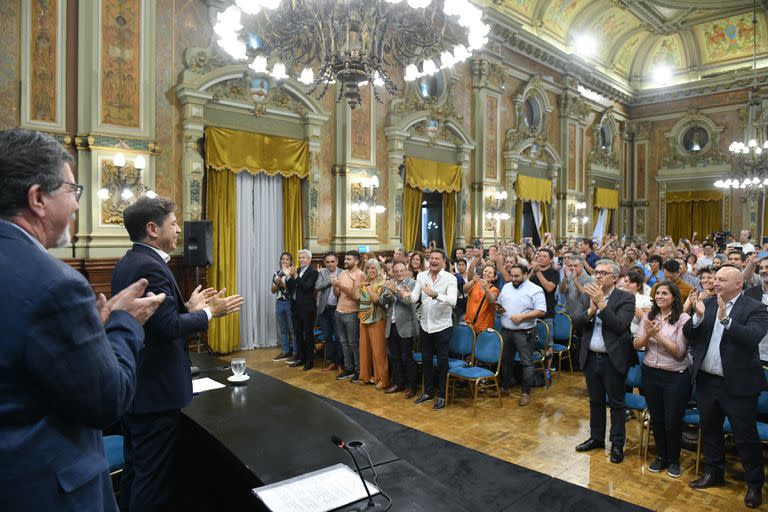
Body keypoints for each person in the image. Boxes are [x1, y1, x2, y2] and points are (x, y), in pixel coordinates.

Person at [0, 128, 165, 511]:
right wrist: (124, 323)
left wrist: (88, 328)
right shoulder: (55, 284)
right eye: (72, 192)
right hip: (47, 487)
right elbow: (107, 401)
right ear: (38, 198)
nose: (77, 206)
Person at [112, 196, 243, 511]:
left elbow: (156, 320)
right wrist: (211, 312)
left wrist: (187, 307)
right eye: (173, 224)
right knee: (152, 480)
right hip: (155, 393)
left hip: (140, 389)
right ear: (153, 229)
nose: (178, 231)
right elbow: (168, 328)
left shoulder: (132, 260)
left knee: (136, 471)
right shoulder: (149, 266)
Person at [683, 266, 768, 508]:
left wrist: (726, 320)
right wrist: (697, 316)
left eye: (721, 279)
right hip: (707, 381)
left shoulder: (756, 308)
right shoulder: (708, 304)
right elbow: (690, 333)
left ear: (738, 284)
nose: (715, 282)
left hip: (738, 385)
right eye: (715, 279)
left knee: (745, 437)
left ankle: (754, 485)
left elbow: (752, 337)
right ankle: (714, 472)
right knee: (710, 430)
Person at [573, 259, 636, 463]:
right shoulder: (587, 295)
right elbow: (576, 322)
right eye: (596, 272)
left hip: (613, 360)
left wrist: (601, 303)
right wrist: (591, 310)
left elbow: (619, 326)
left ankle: (617, 444)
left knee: (617, 404)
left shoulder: (626, 298)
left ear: (615, 278)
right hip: (591, 357)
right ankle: (596, 438)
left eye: (603, 273)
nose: (598, 276)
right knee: (595, 402)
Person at [633, 282, 691, 478]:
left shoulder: (683, 318)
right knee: (657, 418)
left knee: (672, 420)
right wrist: (647, 335)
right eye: (657, 293)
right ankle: (661, 457)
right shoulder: (649, 316)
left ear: (674, 297)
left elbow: (679, 352)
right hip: (651, 373)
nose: (659, 296)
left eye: (664, 293)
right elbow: (637, 344)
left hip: (675, 376)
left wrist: (656, 335)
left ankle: (674, 460)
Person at [402, 249, 458, 410]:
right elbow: (415, 297)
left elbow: (453, 301)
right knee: (426, 361)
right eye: (431, 258)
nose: (433, 261)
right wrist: (407, 294)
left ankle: (442, 395)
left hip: (442, 327)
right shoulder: (421, 276)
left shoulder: (450, 279)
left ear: (443, 262)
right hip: (425, 325)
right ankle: (427, 392)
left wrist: (435, 295)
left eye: (437, 259)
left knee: (442, 362)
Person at [495, 264, 547, 405]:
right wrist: (498, 308)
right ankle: (505, 387)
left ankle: (525, 393)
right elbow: (499, 303)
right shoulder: (506, 286)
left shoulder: (535, 289)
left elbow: (542, 311)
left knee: (526, 363)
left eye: (517, 276)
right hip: (507, 330)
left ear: (526, 274)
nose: (514, 278)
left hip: (524, 332)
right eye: (512, 275)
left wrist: (523, 316)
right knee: (505, 361)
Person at [379, 261, 419, 397]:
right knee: (394, 357)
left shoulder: (412, 283)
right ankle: (398, 383)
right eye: (396, 271)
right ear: (393, 272)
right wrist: (388, 293)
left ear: (406, 270)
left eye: (402, 271)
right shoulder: (391, 282)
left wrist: (395, 291)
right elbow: (383, 302)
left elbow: (408, 301)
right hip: (392, 325)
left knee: (406, 357)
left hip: (406, 326)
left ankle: (411, 386)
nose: (399, 274)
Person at [355, 259, 389, 389]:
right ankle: (365, 376)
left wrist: (367, 285)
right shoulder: (364, 283)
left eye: (373, 268)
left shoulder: (382, 284)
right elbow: (357, 296)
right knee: (364, 349)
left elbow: (375, 299)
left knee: (378, 351)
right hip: (363, 318)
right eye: (368, 268)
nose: (371, 270)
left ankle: (382, 379)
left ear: (379, 270)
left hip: (377, 319)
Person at [333, 250, 366, 382]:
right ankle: (349, 369)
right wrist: (334, 286)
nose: (345, 261)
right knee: (344, 343)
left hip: (352, 313)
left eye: (348, 259)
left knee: (354, 343)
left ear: (356, 261)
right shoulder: (342, 273)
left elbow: (356, 296)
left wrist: (340, 285)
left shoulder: (360, 275)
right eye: (345, 259)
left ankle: (358, 370)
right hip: (339, 311)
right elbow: (337, 294)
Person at [285, 249, 319, 370]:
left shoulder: (313, 272)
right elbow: (290, 288)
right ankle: (301, 358)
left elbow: (307, 287)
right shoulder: (297, 270)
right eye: (299, 258)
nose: (301, 260)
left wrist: (295, 276)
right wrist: (288, 277)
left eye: (303, 257)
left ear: (309, 259)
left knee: (308, 335)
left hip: (307, 308)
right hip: (295, 307)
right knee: (298, 334)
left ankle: (309, 361)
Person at [315, 252, 343, 373]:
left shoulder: (343, 273)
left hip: (337, 308)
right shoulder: (322, 272)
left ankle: (340, 363)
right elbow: (317, 286)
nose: (330, 264)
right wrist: (329, 282)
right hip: (324, 309)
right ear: (324, 263)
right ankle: (332, 362)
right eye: (328, 262)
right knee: (327, 337)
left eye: (332, 261)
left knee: (338, 337)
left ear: (336, 261)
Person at [271, 252, 295, 361]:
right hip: (279, 302)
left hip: (290, 302)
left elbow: (292, 288)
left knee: (292, 329)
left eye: (287, 259)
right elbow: (272, 290)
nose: (284, 261)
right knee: (283, 329)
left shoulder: (293, 272)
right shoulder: (276, 273)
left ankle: (295, 352)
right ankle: (285, 351)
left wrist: (282, 283)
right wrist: (277, 284)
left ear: (291, 261)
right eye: (282, 259)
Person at [463, 264, 499, 334]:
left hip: (483, 328)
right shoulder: (475, 284)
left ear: (494, 277)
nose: (487, 273)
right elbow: (464, 289)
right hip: (468, 325)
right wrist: (473, 281)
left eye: (490, 272)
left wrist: (485, 288)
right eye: (485, 271)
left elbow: (491, 300)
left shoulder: (495, 290)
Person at [745, 257, 768, 364]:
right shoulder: (754, 291)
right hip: (755, 353)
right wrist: (752, 263)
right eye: (761, 268)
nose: (763, 270)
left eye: (767, 267)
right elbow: (746, 277)